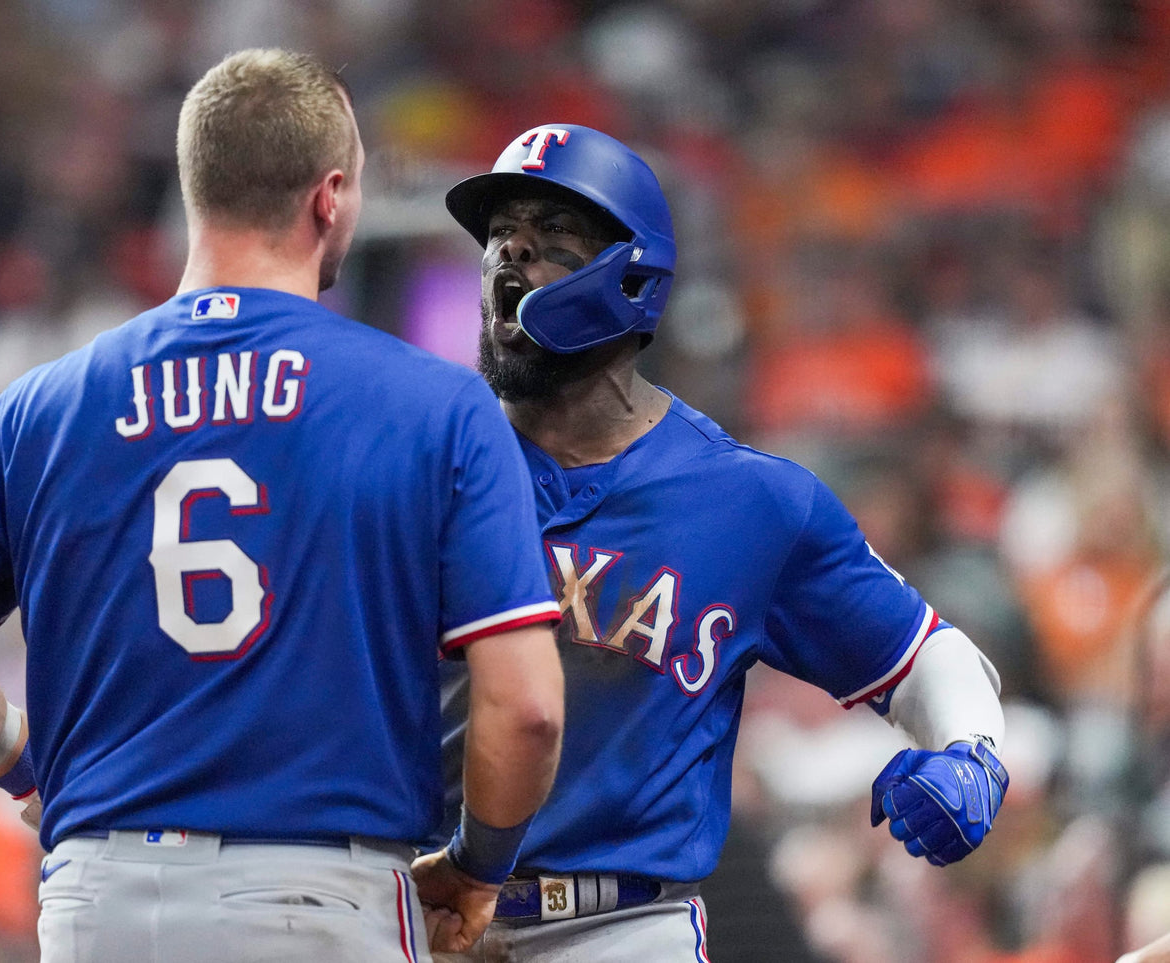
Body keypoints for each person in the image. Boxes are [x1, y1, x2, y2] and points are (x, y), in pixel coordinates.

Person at [0, 49, 566, 962]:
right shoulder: (435, 404)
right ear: (330, 195)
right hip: (315, 897)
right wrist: (476, 867)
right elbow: (528, 708)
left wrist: (25, 766)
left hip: (97, 900)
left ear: (198, 191)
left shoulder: (42, 406)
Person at [422, 124, 1010, 961]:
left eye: (552, 237)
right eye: (500, 235)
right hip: (420, 916)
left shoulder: (749, 500)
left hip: (620, 930)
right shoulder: (417, 459)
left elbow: (926, 657)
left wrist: (970, 754)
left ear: (633, 279)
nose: (511, 254)